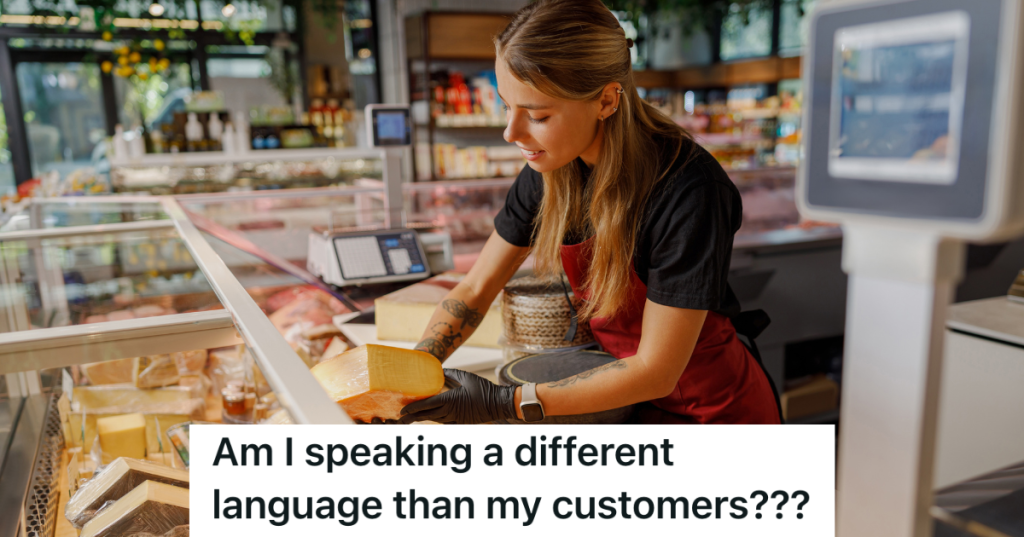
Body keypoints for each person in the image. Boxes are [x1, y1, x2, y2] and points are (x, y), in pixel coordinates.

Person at [399, 0, 781, 425]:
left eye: (537, 115)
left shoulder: (690, 191)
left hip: (715, 412)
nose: (510, 132)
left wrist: (500, 402)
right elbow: (475, 288)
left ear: (606, 100)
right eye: (507, 106)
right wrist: (411, 376)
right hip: (628, 396)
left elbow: (657, 370)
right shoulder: (551, 169)